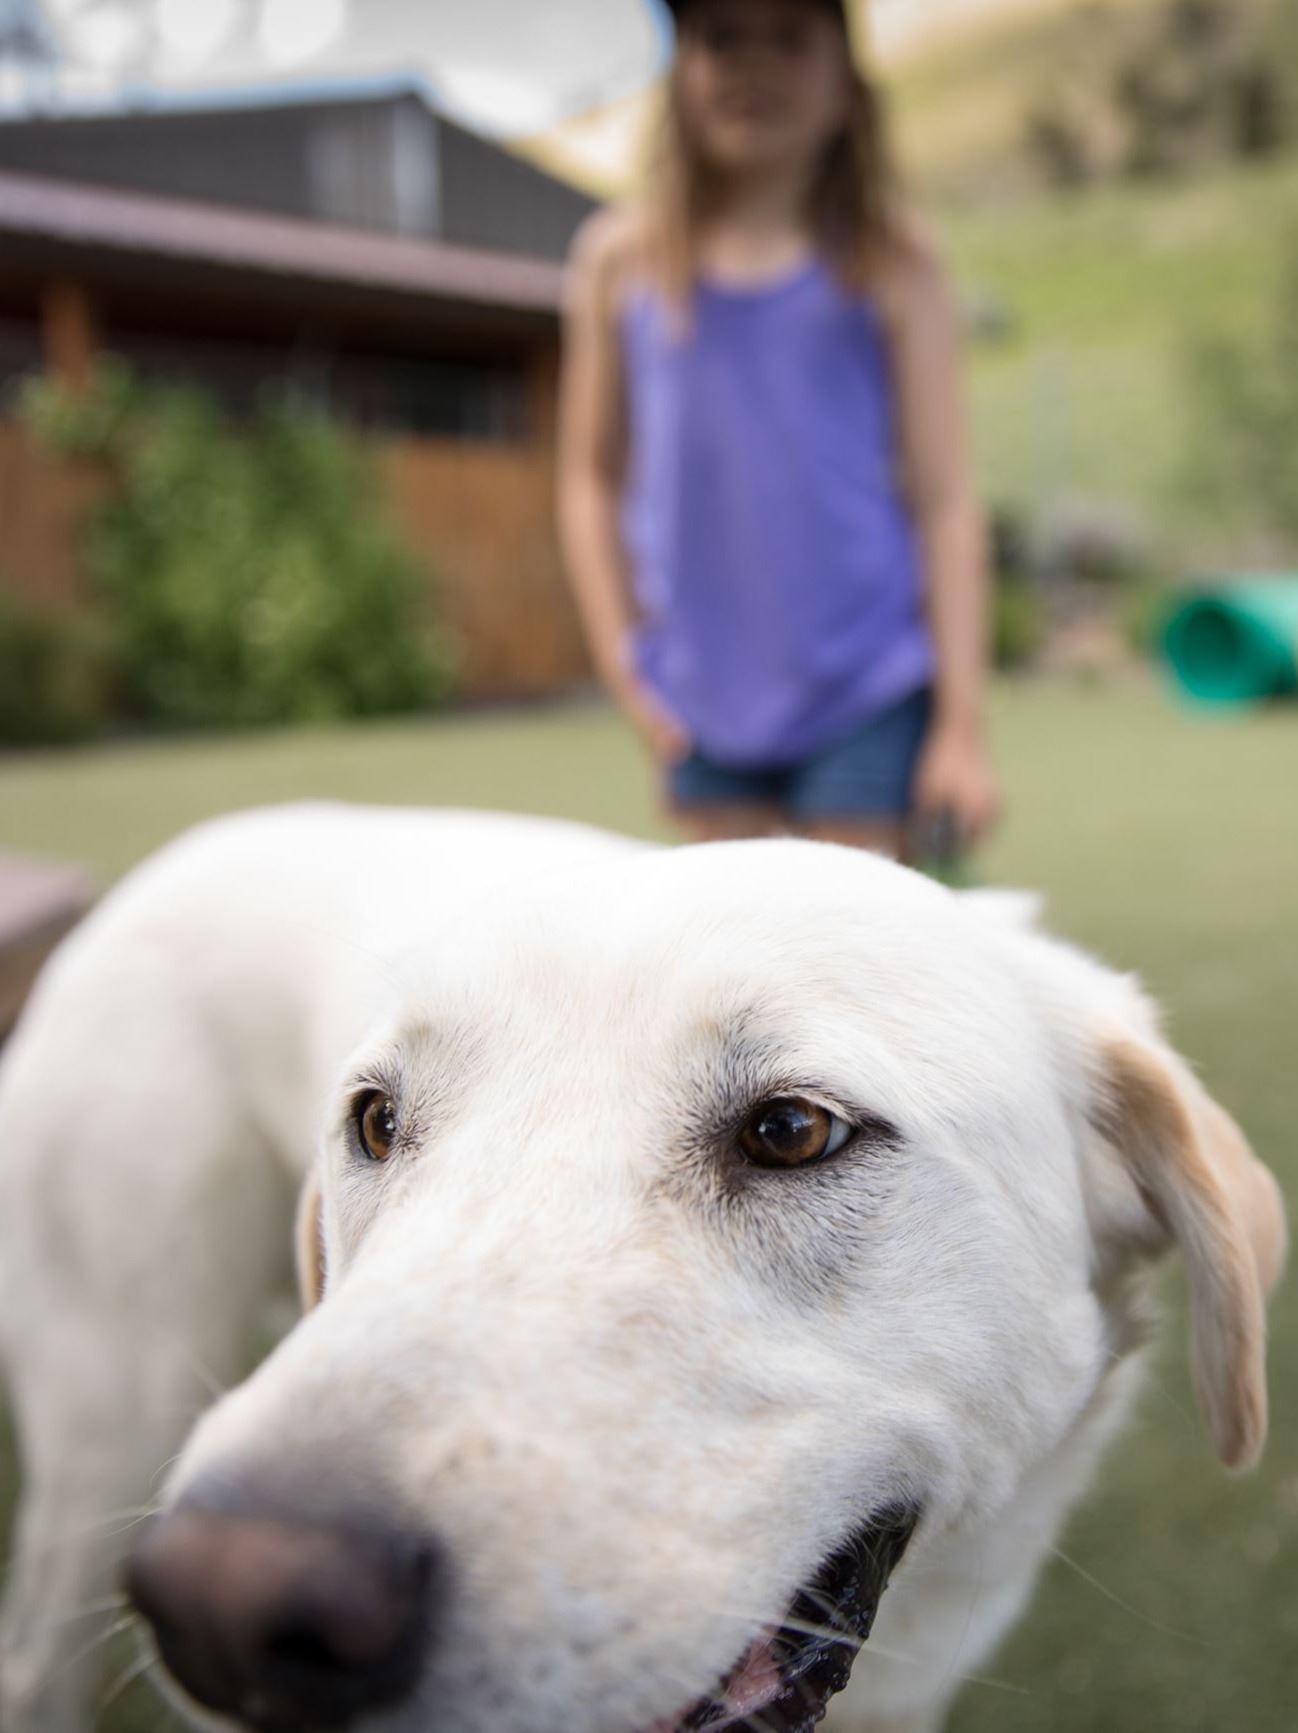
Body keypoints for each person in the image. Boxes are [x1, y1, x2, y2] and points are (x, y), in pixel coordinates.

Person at [557, 0, 1001, 858]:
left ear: (843, 84)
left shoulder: (893, 260)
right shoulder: (618, 260)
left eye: (790, 40)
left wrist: (960, 727)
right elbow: (589, 478)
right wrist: (627, 672)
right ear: (681, 71)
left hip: (865, 684)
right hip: (700, 698)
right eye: (723, 39)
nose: (752, 66)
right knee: (722, 970)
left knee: (848, 967)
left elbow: (945, 497)